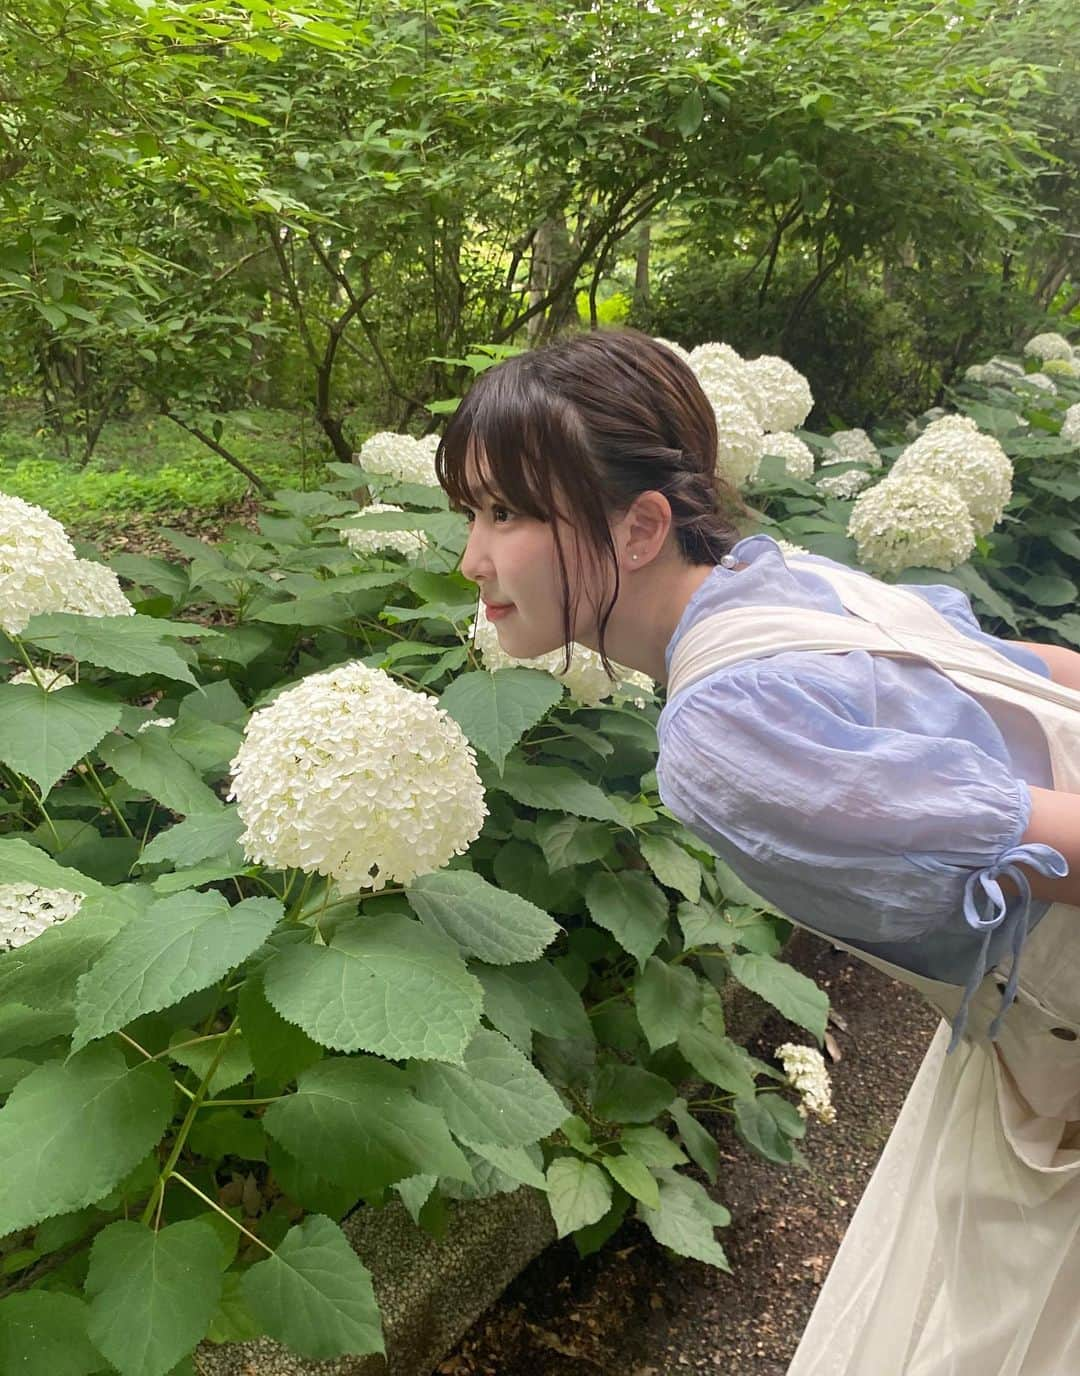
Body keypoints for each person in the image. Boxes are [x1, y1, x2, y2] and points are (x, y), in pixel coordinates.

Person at [434, 325, 1080, 1375]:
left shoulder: (719, 733)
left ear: (641, 525)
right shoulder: (777, 582)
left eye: (506, 511)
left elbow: (1049, 843)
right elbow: (1038, 669)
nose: (471, 556)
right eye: (471, 510)